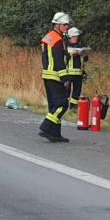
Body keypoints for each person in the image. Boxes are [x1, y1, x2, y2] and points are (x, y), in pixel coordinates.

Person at [38, 12, 72, 142]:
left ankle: (55, 134)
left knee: (54, 105)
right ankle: (46, 127)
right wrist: (65, 78)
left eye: (67, 25)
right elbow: (58, 61)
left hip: (47, 74)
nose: (66, 27)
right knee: (62, 104)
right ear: (57, 24)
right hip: (55, 76)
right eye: (64, 24)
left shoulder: (49, 37)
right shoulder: (57, 40)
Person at [63, 26, 88, 115]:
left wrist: (84, 55)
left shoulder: (80, 46)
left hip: (79, 73)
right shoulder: (65, 46)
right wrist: (71, 54)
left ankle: (73, 109)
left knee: (76, 93)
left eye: (77, 37)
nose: (76, 38)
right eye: (74, 37)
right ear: (69, 37)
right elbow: (62, 59)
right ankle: (64, 108)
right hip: (68, 73)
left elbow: (85, 59)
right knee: (66, 92)